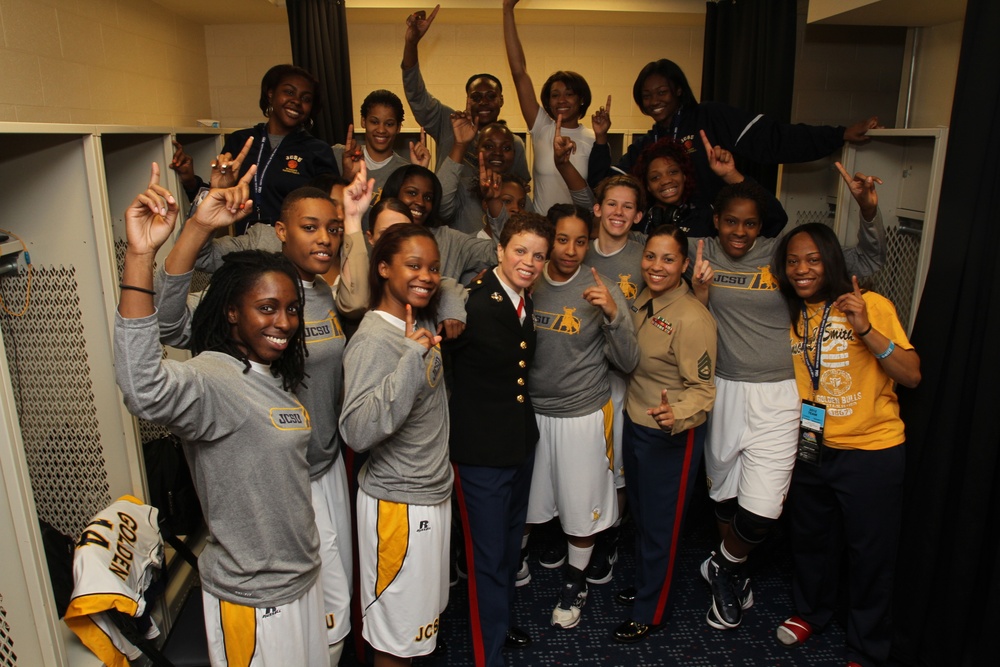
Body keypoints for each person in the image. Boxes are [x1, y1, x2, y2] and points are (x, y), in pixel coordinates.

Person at [115, 163, 327, 665]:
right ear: (232, 311)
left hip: (299, 579)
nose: (284, 322)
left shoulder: (269, 371)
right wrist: (141, 256)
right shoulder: (215, 377)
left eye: (292, 309)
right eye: (267, 308)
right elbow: (143, 387)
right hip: (253, 600)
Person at [158, 181, 359, 665]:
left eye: (332, 230)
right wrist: (195, 230)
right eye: (310, 228)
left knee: (334, 606)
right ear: (280, 232)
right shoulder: (249, 295)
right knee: (318, 613)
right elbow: (168, 325)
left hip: (326, 466)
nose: (325, 240)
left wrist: (355, 221)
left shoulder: (323, 296)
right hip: (280, 485)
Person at [691, 165, 886, 632]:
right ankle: (732, 576)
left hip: (781, 392)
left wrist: (869, 209)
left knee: (765, 506)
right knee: (725, 490)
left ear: (762, 226)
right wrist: (699, 294)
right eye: (731, 221)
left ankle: (721, 563)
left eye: (750, 223)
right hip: (722, 389)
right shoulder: (699, 253)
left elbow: (865, 263)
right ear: (715, 220)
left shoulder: (781, 255)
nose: (740, 231)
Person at [772, 222, 920, 667]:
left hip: (871, 451)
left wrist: (866, 330)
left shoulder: (870, 304)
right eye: (794, 261)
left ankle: (867, 646)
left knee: (869, 554)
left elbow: (911, 374)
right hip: (813, 447)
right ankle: (811, 612)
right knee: (811, 540)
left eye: (813, 260)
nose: (802, 269)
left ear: (831, 261)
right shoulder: (790, 312)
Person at [339, 224, 453, 667]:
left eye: (434, 267)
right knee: (395, 641)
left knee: (419, 625)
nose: (427, 275)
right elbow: (357, 431)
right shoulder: (374, 340)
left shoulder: (414, 318)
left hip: (428, 493)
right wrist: (409, 358)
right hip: (398, 506)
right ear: (383, 268)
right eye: (414, 265)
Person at [524, 205, 639, 629]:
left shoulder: (602, 285)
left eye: (579, 240)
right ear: (548, 239)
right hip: (533, 412)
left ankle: (575, 582)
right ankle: (518, 561)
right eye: (561, 239)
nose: (570, 250)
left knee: (580, 506)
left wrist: (613, 312)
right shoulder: (529, 279)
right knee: (531, 504)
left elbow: (629, 360)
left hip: (582, 413)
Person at [447, 212, 554, 667]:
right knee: (488, 558)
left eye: (538, 255)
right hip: (480, 454)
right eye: (520, 251)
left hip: (517, 444)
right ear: (499, 250)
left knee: (510, 548)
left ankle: (499, 622)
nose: (529, 262)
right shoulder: (469, 303)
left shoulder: (521, 299)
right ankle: (484, 653)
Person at [587, 57, 880, 212]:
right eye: (647, 95)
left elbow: (775, 139)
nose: (654, 101)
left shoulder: (711, 117)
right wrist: (601, 139)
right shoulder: (648, 144)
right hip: (672, 239)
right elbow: (608, 183)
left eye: (661, 92)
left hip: (719, 233)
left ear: (678, 89)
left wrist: (840, 134)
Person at [613, 224, 717, 644]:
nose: (656, 266)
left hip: (671, 433)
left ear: (685, 265)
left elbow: (704, 389)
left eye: (668, 259)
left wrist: (677, 415)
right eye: (651, 257)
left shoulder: (693, 317)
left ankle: (651, 611)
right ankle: (646, 585)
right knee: (641, 517)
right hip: (637, 424)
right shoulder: (642, 300)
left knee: (662, 525)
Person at [170, 64, 337, 232]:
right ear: (270, 94)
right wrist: (190, 180)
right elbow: (217, 198)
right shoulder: (240, 141)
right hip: (244, 248)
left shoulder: (318, 150)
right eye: (289, 92)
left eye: (306, 99)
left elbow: (332, 209)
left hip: (293, 251)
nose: (297, 101)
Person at [402, 5, 531, 181]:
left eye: (491, 96)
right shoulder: (447, 122)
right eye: (476, 97)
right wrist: (411, 44)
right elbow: (416, 94)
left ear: (501, 100)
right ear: (468, 100)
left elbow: (519, 191)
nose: (484, 102)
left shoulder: (513, 144)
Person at [503, 0, 596, 214]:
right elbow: (519, 73)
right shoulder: (542, 127)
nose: (561, 100)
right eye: (555, 95)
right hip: (541, 229)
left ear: (581, 99)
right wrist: (507, 10)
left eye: (569, 94)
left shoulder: (593, 139)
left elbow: (596, 195)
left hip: (575, 231)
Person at [632, 131, 787, 238]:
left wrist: (730, 175)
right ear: (647, 186)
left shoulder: (707, 216)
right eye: (655, 177)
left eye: (673, 172)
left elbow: (776, 218)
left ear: (684, 176)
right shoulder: (639, 221)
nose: (666, 180)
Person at [381, 164, 497, 282]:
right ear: (394, 194)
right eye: (412, 193)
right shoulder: (378, 235)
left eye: (428, 198)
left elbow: (496, 254)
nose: (420, 202)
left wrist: (493, 201)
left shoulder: (449, 240)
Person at [334, 89, 430, 202]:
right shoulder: (338, 155)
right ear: (363, 121)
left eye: (389, 124)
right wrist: (347, 178)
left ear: (398, 127)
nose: (381, 130)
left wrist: (419, 173)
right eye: (374, 122)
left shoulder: (404, 171)